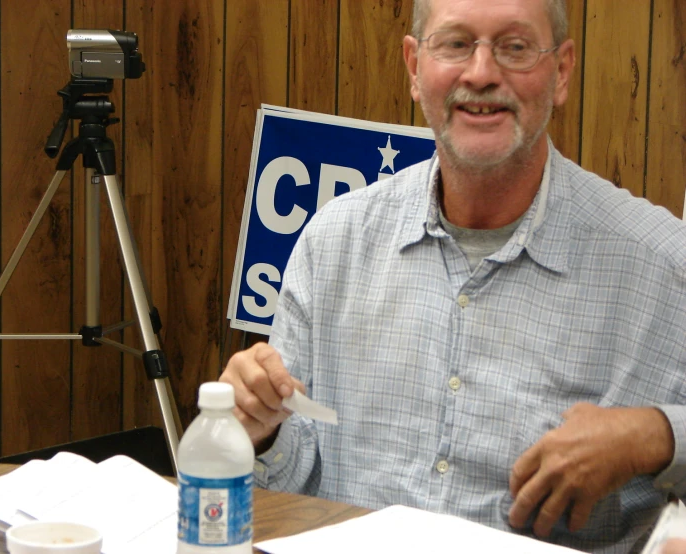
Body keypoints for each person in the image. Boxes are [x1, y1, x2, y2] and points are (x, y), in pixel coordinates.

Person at [220, 0, 686, 552]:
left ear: (561, 72)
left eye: (514, 47)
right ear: (415, 68)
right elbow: (292, 476)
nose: (482, 73)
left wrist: (657, 435)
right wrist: (262, 427)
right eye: (456, 44)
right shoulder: (332, 243)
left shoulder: (662, 265)